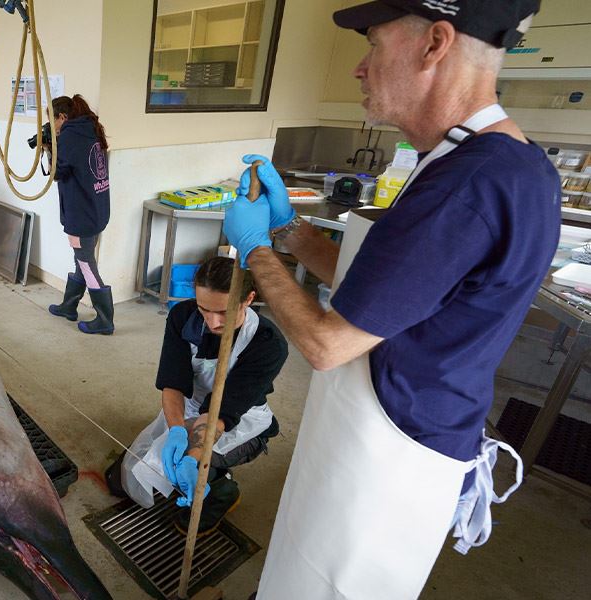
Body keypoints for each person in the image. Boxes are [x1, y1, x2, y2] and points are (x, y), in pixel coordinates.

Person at [221, 2, 557, 598]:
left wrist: (252, 250)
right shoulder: (500, 162)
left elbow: (328, 343)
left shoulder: (468, 183)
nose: (359, 68)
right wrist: (289, 231)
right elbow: (390, 290)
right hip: (407, 430)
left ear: (435, 45)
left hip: (389, 454)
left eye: (374, 44)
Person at [104, 256, 286, 536]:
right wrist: (176, 430)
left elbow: (221, 410)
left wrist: (194, 454)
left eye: (224, 312)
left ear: (248, 298)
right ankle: (198, 467)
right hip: (189, 408)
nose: (213, 322)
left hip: (236, 422)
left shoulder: (267, 344)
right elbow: (173, 384)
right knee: (120, 481)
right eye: (204, 309)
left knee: (191, 468)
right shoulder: (183, 317)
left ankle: (222, 490)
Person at [44, 95, 113, 335]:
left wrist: (49, 149)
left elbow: (57, 172)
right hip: (96, 209)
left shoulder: (70, 135)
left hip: (81, 213)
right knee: (81, 260)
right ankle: (69, 306)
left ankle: (105, 319)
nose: (51, 126)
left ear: (62, 117)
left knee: (85, 262)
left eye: (51, 120)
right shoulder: (90, 129)